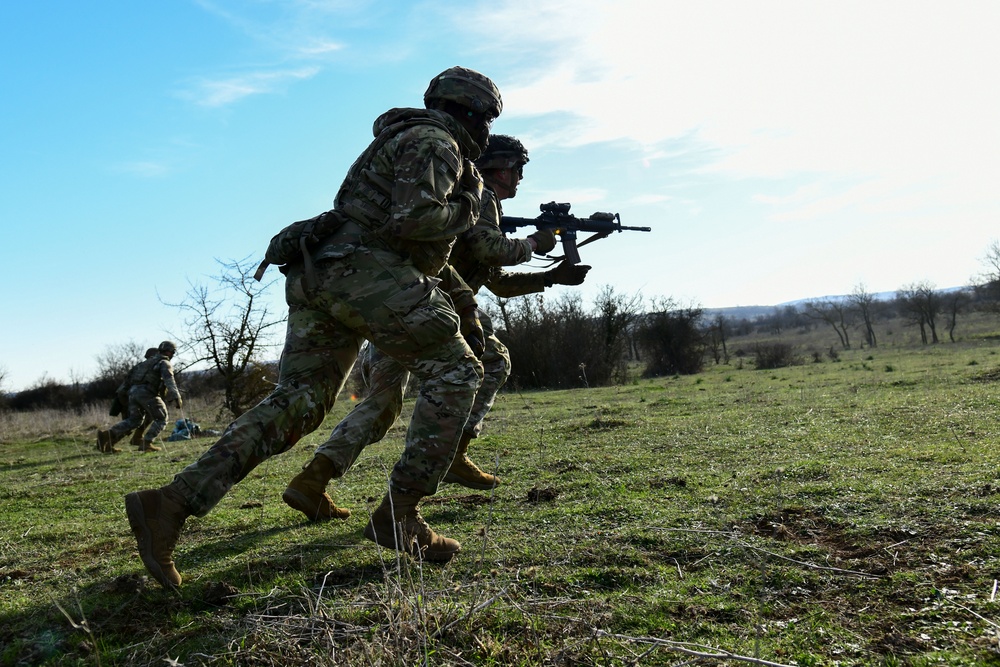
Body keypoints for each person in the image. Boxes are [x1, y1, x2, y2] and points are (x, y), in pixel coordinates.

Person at [124, 66, 502, 588]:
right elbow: (413, 220)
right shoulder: (436, 142)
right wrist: (467, 206)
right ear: (471, 111)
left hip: (321, 271)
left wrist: (456, 290)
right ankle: (401, 513)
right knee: (458, 371)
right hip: (365, 271)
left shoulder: (403, 138)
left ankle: (169, 505)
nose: (486, 133)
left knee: (299, 401)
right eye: (487, 119)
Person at [282, 134, 590, 522]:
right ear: (500, 167)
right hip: (427, 309)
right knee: (493, 362)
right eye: (518, 169)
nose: (520, 179)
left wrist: (550, 279)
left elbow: (493, 279)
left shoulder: (459, 198)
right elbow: (491, 250)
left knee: (381, 403)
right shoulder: (480, 199)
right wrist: (537, 242)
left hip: (396, 303)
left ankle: (313, 479)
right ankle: (455, 453)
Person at [98, 341, 182, 454]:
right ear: (169, 352)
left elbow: (128, 381)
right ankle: (146, 443)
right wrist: (176, 396)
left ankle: (106, 435)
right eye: (173, 352)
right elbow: (169, 380)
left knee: (135, 420)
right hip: (147, 393)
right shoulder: (164, 363)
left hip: (132, 393)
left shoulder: (142, 364)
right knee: (161, 418)